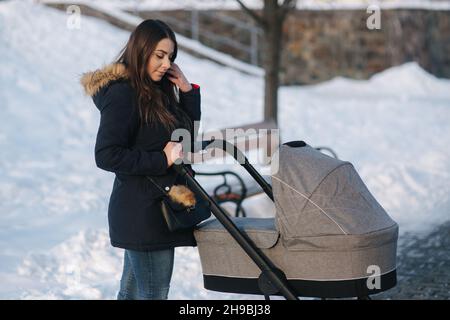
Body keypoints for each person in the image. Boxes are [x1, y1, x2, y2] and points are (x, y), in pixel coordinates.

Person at [80, 19, 201, 300]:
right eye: (159, 55)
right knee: (152, 294)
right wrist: (161, 159)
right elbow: (106, 154)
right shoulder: (124, 94)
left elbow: (186, 139)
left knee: (132, 293)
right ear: (140, 50)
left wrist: (187, 92)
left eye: (170, 57)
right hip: (144, 212)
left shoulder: (156, 91)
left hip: (156, 208)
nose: (166, 63)